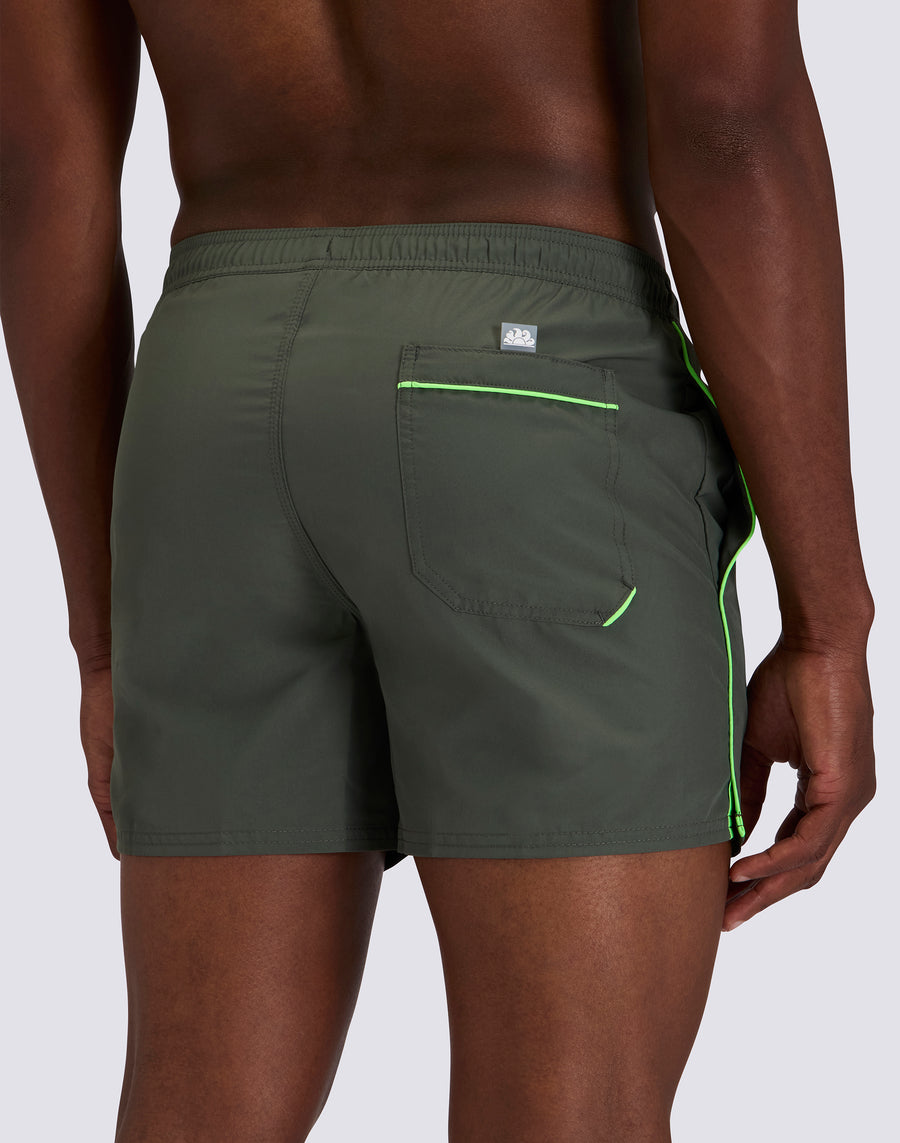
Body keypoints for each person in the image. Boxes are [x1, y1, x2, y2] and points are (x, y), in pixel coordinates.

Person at [0, 0, 877, 1139]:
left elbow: (35, 171)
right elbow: (727, 115)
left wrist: (105, 636)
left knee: (194, 1114)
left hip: (209, 399)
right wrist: (827, 621)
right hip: (529, 383)